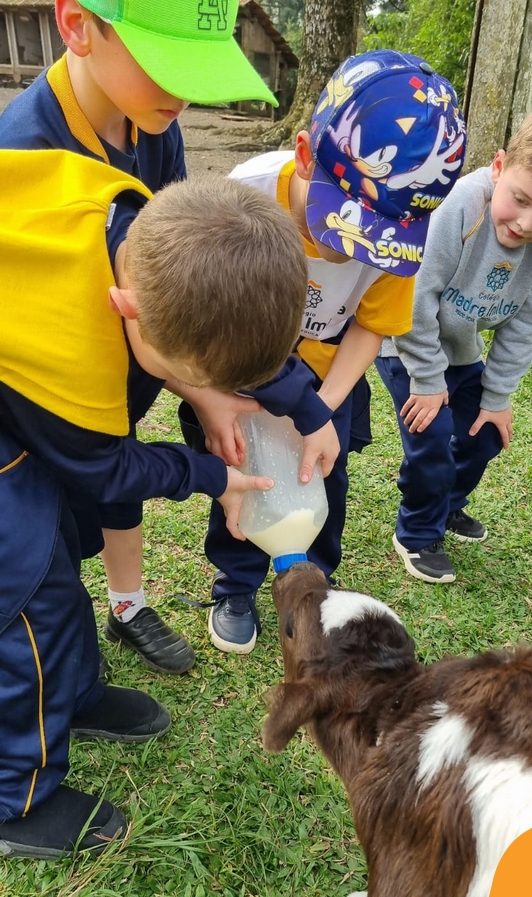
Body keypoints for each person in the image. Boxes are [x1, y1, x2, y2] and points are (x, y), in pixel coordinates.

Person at [0, 158, 308, 858]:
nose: (196, 393)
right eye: (188, 381)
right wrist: (213, 475)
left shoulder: (136, 218)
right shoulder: (74, 346)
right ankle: (15, 799)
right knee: (25, 599)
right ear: (126, 310)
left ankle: (71, 696)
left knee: (56, 558)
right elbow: (108, 467)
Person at [0, 0, 277, 675]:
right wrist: (206, 469)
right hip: (39, 393)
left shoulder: (152, 121)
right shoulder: (24, 154)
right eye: (165, 66)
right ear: (77, 25)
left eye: (199, 71)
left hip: (124, 353)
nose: (183, 95)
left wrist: (202, 392)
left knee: (112, 473)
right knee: (51, 534)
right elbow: (95, 456)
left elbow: (167, 265)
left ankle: (125, 608)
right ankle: (63, 651)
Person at [178, 50, 466, 652]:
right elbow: (203, 317)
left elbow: (371, 325)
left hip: (328, 369)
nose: (350, 250)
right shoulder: (244, 195)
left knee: (324, 481)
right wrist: (217, 397)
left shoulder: (400, 237)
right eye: (342, 222)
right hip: (241, 364)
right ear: (306, 155)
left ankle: (315, 589)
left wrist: (324, 408)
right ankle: (235, 585)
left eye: (375, 237)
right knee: (245, 474)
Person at [375, 94, 532, 583]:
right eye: (521, 200)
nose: (528, 224)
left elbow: (526, 321)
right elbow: (414, 298)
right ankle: (416, 533)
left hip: (461, 349)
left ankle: (446, 505)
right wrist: (428, 381)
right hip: (407, 343)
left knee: (484, 434)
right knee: (433, 434)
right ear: (499, 166)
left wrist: (498, 396)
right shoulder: (462, 204)